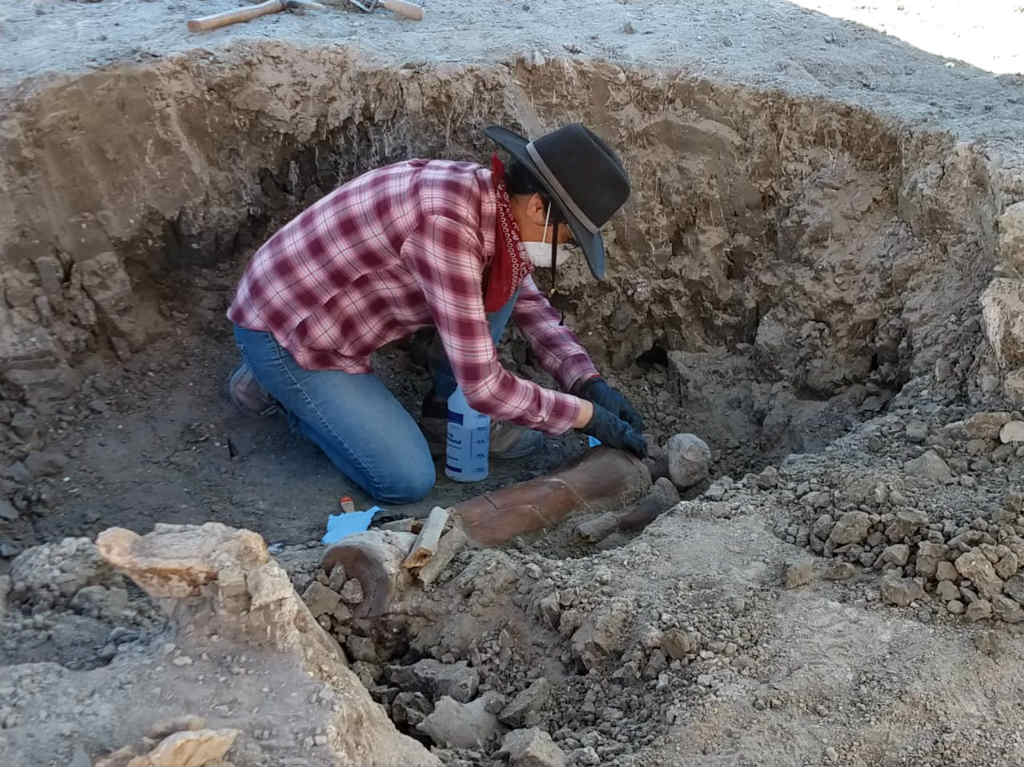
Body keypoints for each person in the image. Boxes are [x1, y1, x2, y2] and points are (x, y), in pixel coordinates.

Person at [226, 123, 646, 504]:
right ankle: (275, 385)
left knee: (501, 288)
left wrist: (586, 381)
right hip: (290, 333)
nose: (564, 251)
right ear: (538, 207)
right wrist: (586, 417)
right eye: (568, 238)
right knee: (405, 479)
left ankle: (446, 417)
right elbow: (484, 387)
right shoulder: (448, 227)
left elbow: (527, 302)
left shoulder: (494, 204)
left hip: (331, 311)